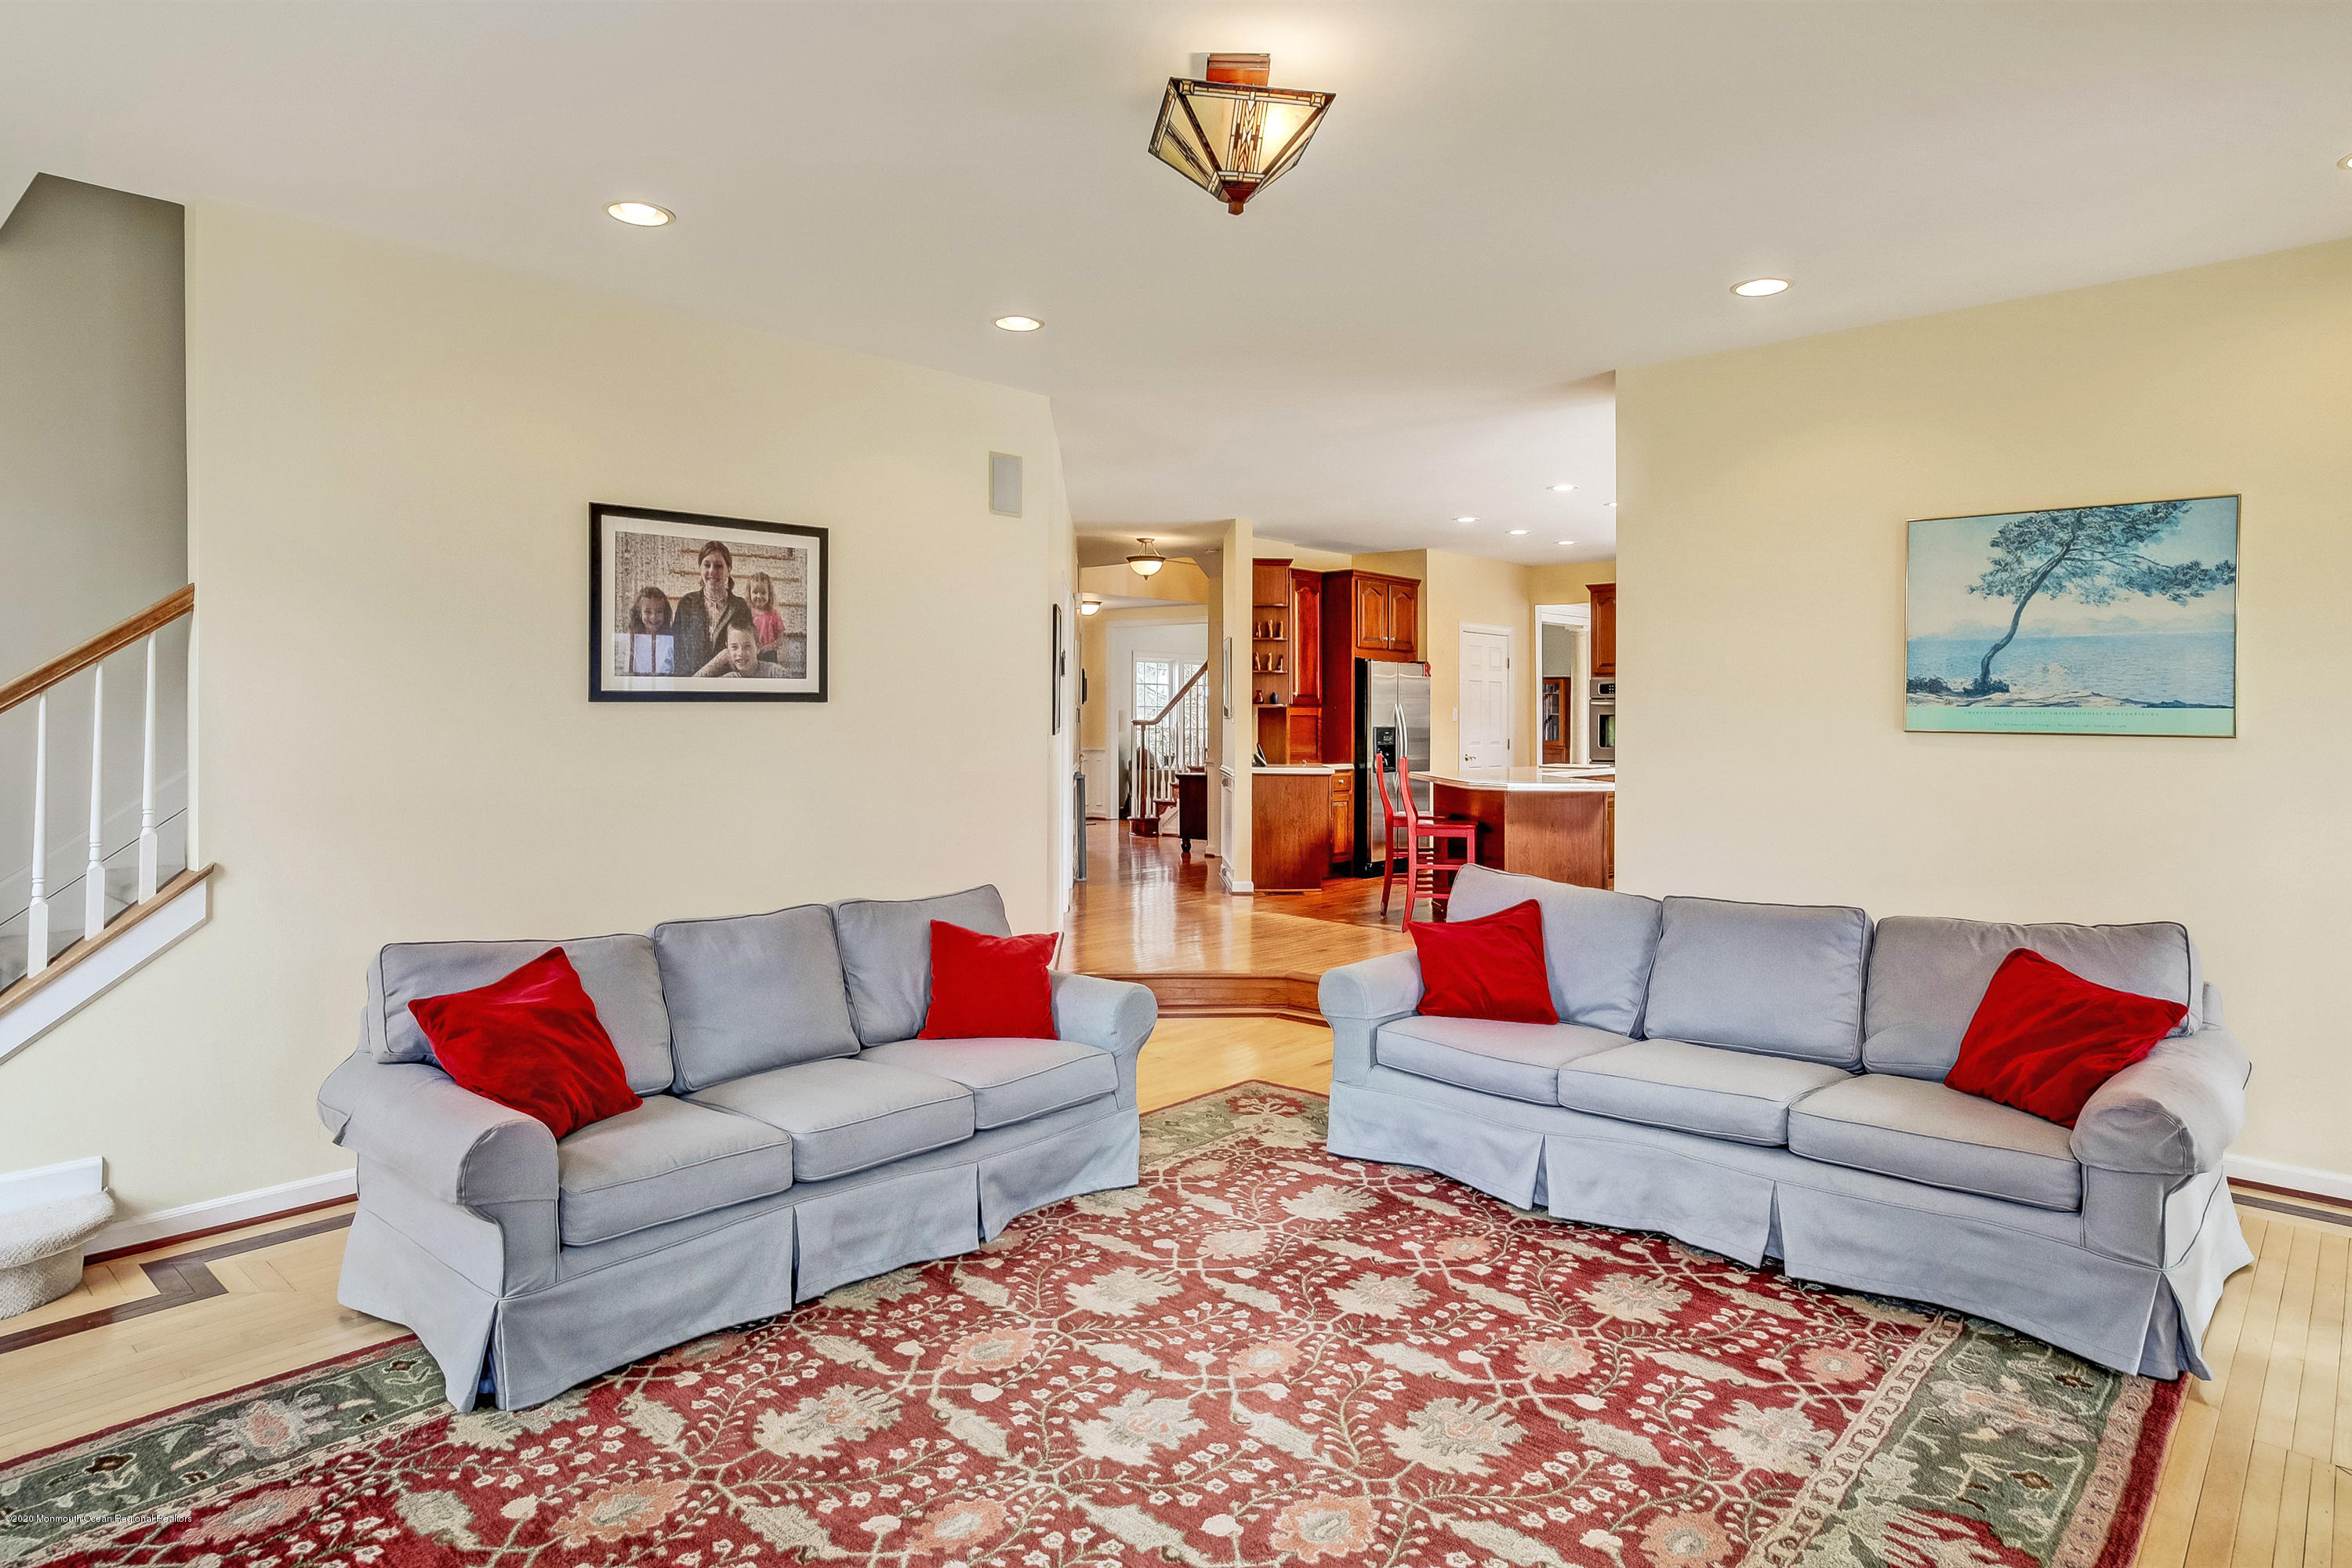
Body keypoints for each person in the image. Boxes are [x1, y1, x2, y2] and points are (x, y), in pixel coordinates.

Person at [670, 540, 754, 677]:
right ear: (700, 568)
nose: (712, 571)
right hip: (691, 686)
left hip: (727, 685)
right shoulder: (687, 603)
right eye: (707, 565)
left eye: (719, 566)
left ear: (729, 570)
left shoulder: (740, 606)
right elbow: (677, 649)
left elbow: (747, 651)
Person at [701, 619, 791, 677]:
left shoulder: (776, 673)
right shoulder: (728, 679)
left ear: (758, 648)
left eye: (747, 646)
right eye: (734, 647)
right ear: (727, 648)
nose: (740, 653)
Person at [626, 585, 674, 675]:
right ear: (639, 613)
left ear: (665, 614)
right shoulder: (632, 641)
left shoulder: (670, 641)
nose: (653, 617)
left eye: (659, 611)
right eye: (648, 612)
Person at [746, 571, 785, 658]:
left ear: (769, 594)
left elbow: (781, 638)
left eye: (763, 593)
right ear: (749, 593)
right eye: (755, 592)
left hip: (769, 654)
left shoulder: (774, 615)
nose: (759, 596)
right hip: (751, 654)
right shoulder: (747, 614)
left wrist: (768, 647)